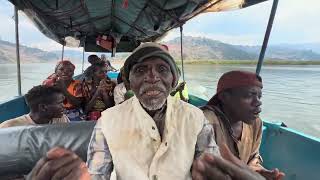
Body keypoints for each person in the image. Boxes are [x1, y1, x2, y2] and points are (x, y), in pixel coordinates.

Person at [85, 43, 265, 180]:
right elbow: (96, 175)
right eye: (141, 70)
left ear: (173, 81)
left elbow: (209, 164)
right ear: (129, 82)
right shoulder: (108, 121)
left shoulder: (195, 117)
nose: (152, 77)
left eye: (162, 69)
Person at [201, 70, 285, 180]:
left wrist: (260, 172)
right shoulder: (205, 120)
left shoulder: (256, 123)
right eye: (249, 95)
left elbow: (252, 159)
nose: (258, 102)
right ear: (225, 97)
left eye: (259, 97)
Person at [0, 85, 69, 128]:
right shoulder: (9, 127)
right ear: (43, 107)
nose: (64, 106)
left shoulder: (62, 119)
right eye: (60, 103)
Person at [82, 55, 116, 120]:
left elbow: (111, 108)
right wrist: (97, 92)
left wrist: (104, 94)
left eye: (106, 72)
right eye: (101, 72)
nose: (105, 74)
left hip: (107, 114)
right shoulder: (86, 85)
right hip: (91, 115)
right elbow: (86, 110)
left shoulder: (111, 84)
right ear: (93, 73)